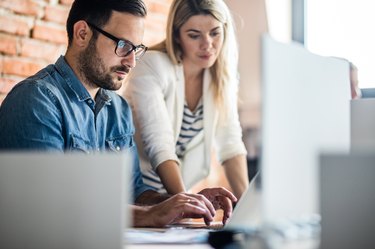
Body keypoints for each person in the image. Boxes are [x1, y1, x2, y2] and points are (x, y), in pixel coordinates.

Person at [0, 0, 236, 227]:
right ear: (82, 34)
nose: (132, 61)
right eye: (123, 45)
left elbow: (134, 193)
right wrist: (151, 215)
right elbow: (48, 206)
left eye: (136, 48)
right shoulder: (37, 100)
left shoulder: (118, 110)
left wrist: (185, 201)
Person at [123, 0, 249, 198]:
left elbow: (230, 144)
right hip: (135, 194)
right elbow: (159, 143)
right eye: (194, 35)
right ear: (176, 35)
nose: (207, 44)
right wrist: (183, 203)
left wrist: (248, 209)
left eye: (215, 33)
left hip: (171, 195)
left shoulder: (223, 78)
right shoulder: (151, 66)